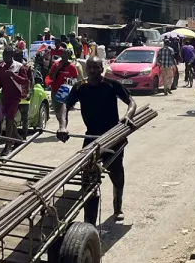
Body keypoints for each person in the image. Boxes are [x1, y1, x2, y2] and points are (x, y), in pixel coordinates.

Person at [56, 57, 137, 223]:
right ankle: (89, 219)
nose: (93, 71)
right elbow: (65, 105)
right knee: (88, 177)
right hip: (91, 137)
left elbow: (132, 103)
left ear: (102, 69)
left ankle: (117, 206)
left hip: (113, 136)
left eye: (96, 67)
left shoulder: (112, 85)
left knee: (117, 173)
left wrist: (128, 116)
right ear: (86, 70)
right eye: (90, 67)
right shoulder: (80, 87)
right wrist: (63, 126)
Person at [0, 46, 29, 156]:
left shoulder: (19, 67)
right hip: (5, 96)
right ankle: (18, 139)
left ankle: (8, 145)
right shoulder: (0, 68)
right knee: (9, 119)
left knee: (9, 119)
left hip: (15, 97)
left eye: (7, 56)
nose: (5, 58)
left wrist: (14, 75)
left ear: (11, 56)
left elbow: (25, 81)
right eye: (3, 55)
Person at [48, 48, 79, 113]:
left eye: (66, 55)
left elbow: (75, 79)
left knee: (64, 112)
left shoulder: (72, 67)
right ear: (61, 55)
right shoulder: (55, 64)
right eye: (63, 54)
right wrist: (57, 69)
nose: (64, 56)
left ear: (69, 56)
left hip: (66, 93)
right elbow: (51, 78)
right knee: (56, 109)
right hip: (55, 91)